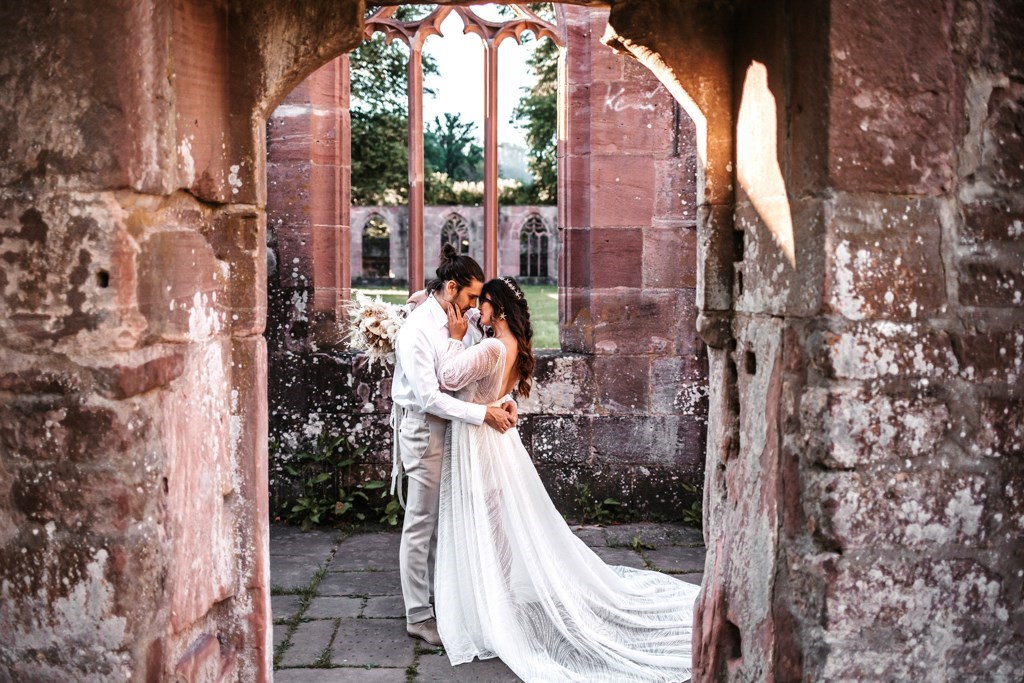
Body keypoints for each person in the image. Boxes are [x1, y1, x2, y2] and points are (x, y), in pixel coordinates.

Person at [433, 276, 700, 682]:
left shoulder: (489, 347)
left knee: (484, 519)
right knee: (493, 520)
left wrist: (454, 337)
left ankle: (494, 601)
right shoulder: (514, 346)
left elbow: (450, 378)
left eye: (484, 303)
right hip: (494, 441)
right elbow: (498, 392)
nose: (478, 310)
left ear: (498, 308)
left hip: (479, 444)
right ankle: (497, 592)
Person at [390, 245, 517, 647]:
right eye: (470, 296)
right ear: (450, 287)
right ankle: (418, 615)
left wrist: (498, 402)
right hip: (425, 429)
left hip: (457, 431)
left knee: (449, 519)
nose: (477, 306)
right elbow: (430, 398)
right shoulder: (417, 331)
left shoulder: (460, 317)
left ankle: (447, 600)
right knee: (422, 522)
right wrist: (485, 416)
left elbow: (477, 367)